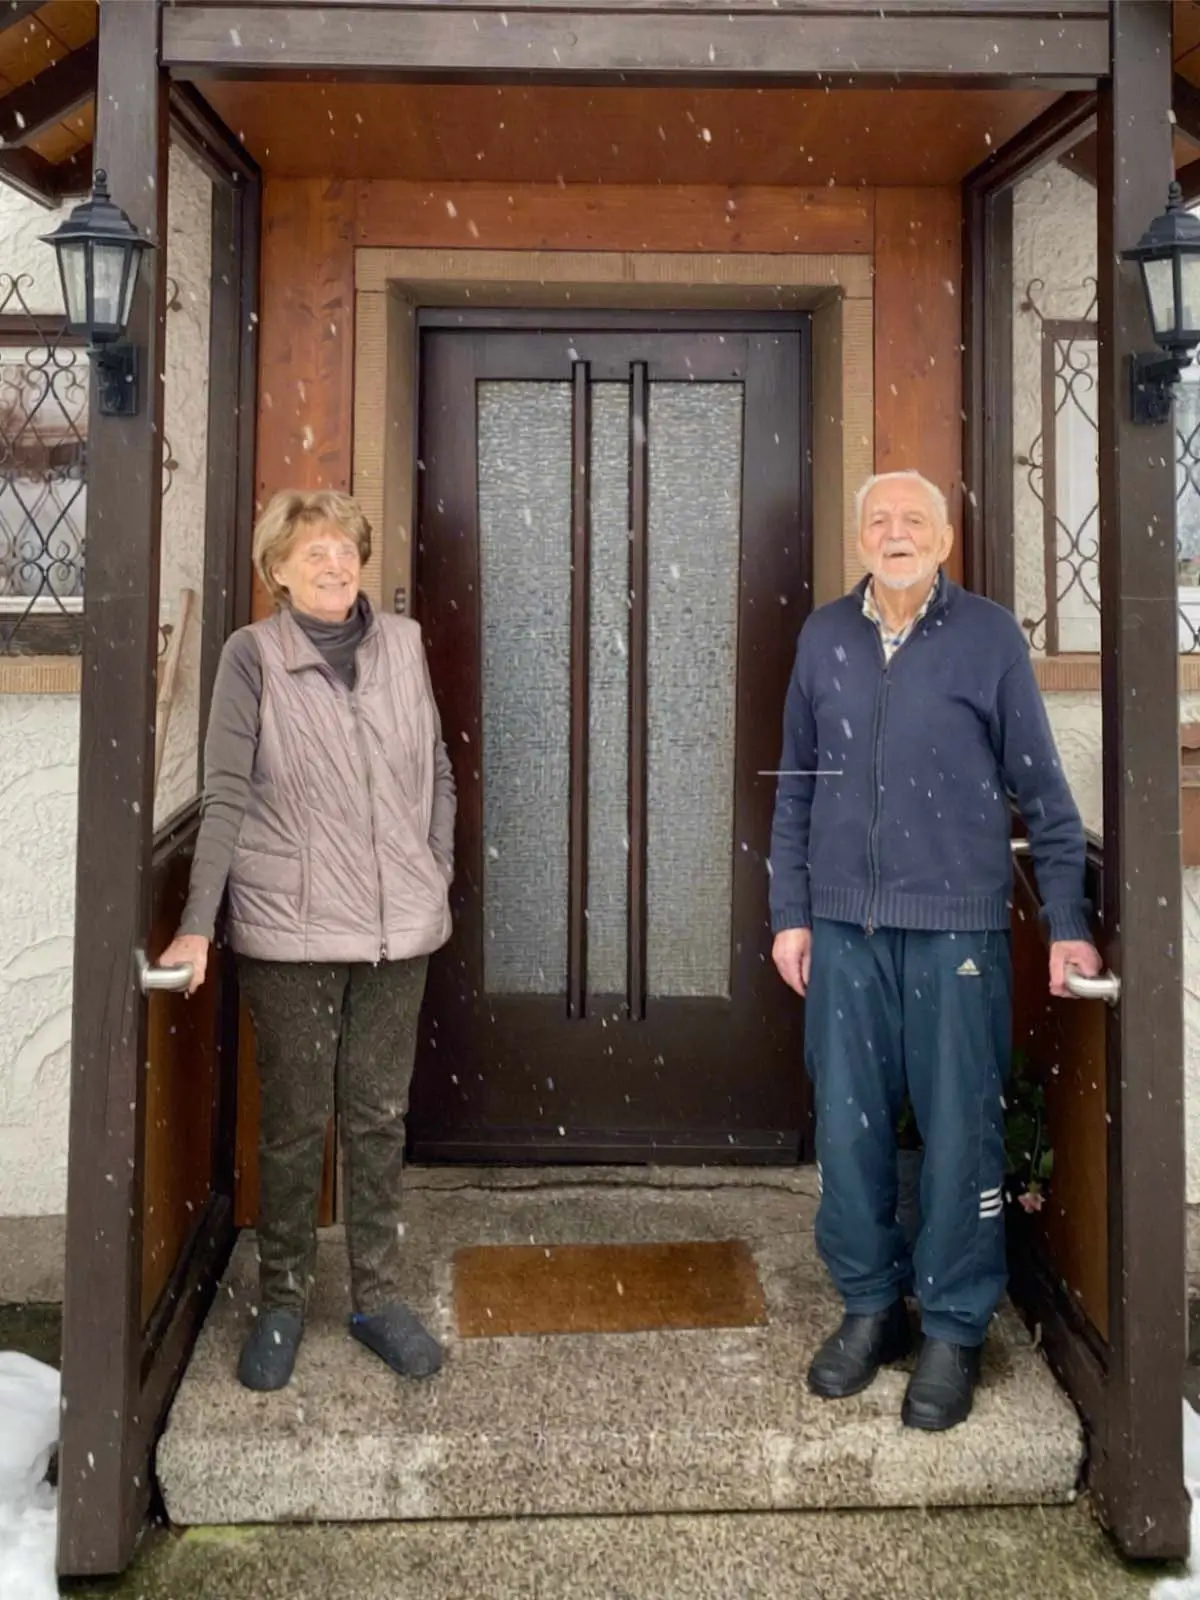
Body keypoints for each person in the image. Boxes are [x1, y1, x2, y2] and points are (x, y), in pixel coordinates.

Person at [768, 469, 1101, 1431]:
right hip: (844, 928)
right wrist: (791, 912)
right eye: (879, 519)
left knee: (961, 1130)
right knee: (849, 1128)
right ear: (860, 540)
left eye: (914, 518)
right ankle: (871, 1306)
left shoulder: (988, 638)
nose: (896, 531)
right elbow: (796, 786)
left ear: (946, 539)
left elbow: (1044, 792)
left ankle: (955, 1325)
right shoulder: (824, 637)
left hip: (956, 925)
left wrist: (1068, 920)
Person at [159, 488, 455, 1393]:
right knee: (293, 1122)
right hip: (291, 929)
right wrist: (197, 925)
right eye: (312, 551)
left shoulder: (403, 644)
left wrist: (433, 866)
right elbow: (225, 793)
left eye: (345, 548)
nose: (334, 564)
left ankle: (377, 1298)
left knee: (378, 1116)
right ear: (277, 571)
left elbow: (437, 768)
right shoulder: (252, 656)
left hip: (397, 928)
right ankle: (284, 1298)